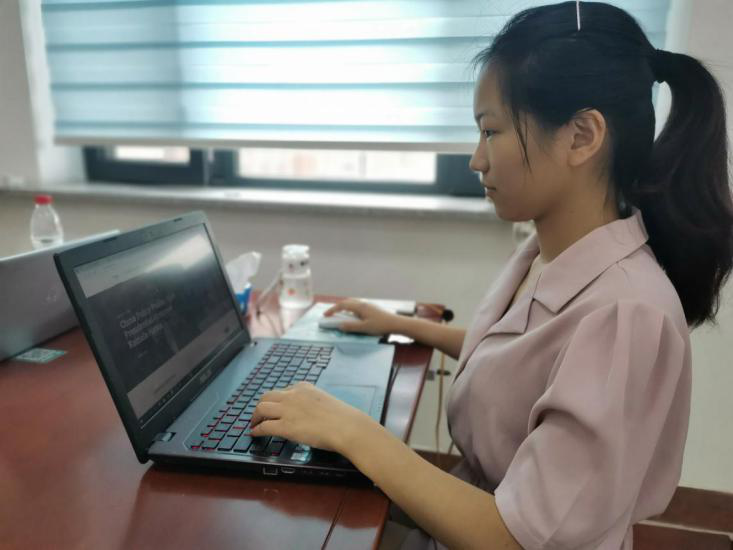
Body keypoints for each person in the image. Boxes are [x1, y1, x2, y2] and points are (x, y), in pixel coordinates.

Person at [249, 2, 733, 548]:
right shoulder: (548, 252)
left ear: (581, 136)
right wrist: (403, 325)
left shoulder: (626, 316)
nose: (477, 160)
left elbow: (519, 538)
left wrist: (355, 433)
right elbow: (525, 359)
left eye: (491, 131)